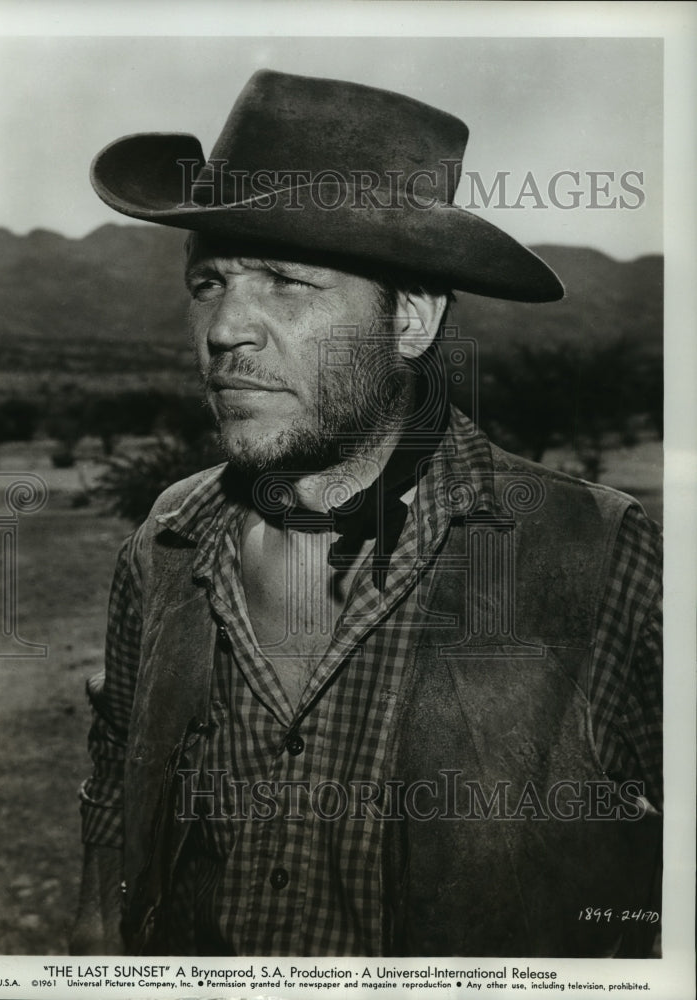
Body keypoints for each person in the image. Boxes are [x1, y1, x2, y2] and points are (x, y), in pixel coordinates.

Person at [71, 70, 662, 958]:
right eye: (210, 282)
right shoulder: (166, 541)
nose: (227, 326)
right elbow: (121, 755)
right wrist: (93, 936)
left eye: (286, 281)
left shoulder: (603, 560)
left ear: (412, 320)